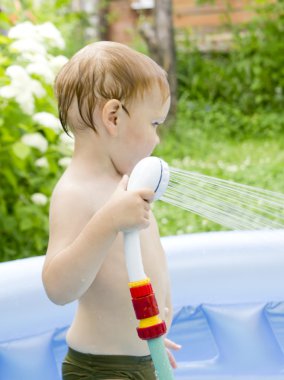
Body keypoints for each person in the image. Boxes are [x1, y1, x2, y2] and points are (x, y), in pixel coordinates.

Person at [42, 41, 181, 380]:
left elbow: (147, 260)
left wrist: (152, 339)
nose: (157, 140)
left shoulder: (126, 183)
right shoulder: (77, 192)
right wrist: (106, 222)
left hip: (146, 356)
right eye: (154, 124)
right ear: (113, 117)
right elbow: (58, 287)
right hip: (102, 369)